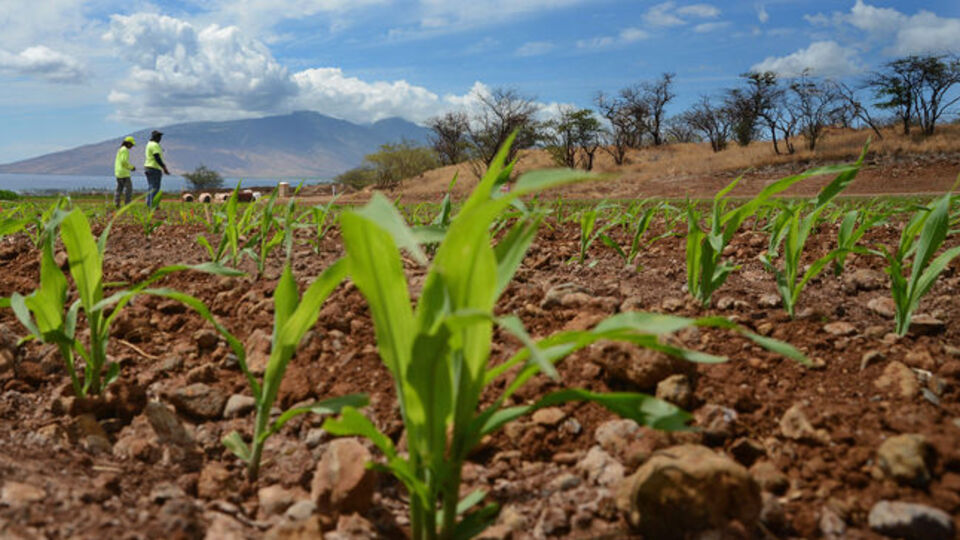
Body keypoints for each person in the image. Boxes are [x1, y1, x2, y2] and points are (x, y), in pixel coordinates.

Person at [144, 130, 170, 208]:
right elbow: (157, 157)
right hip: (154, 168)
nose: (160, 139)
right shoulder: (155, 145)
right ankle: (153, 205)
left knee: (151, 187)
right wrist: (164, 167)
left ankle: (149, 203)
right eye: (159, 137)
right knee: (155, 188)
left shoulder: (149, 144)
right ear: (155, 137)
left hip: (148, 167)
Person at [114, 136, 136, 208]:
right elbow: (124, 162)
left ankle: (116, 204)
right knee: (129, 189)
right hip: (124, 173)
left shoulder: (120, 149)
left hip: (118, 173)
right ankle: (127, 205)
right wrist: (131, 167)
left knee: (119, 189)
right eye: (131, 144)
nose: (132, 146)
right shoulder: (125, 150)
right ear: (128, 143)